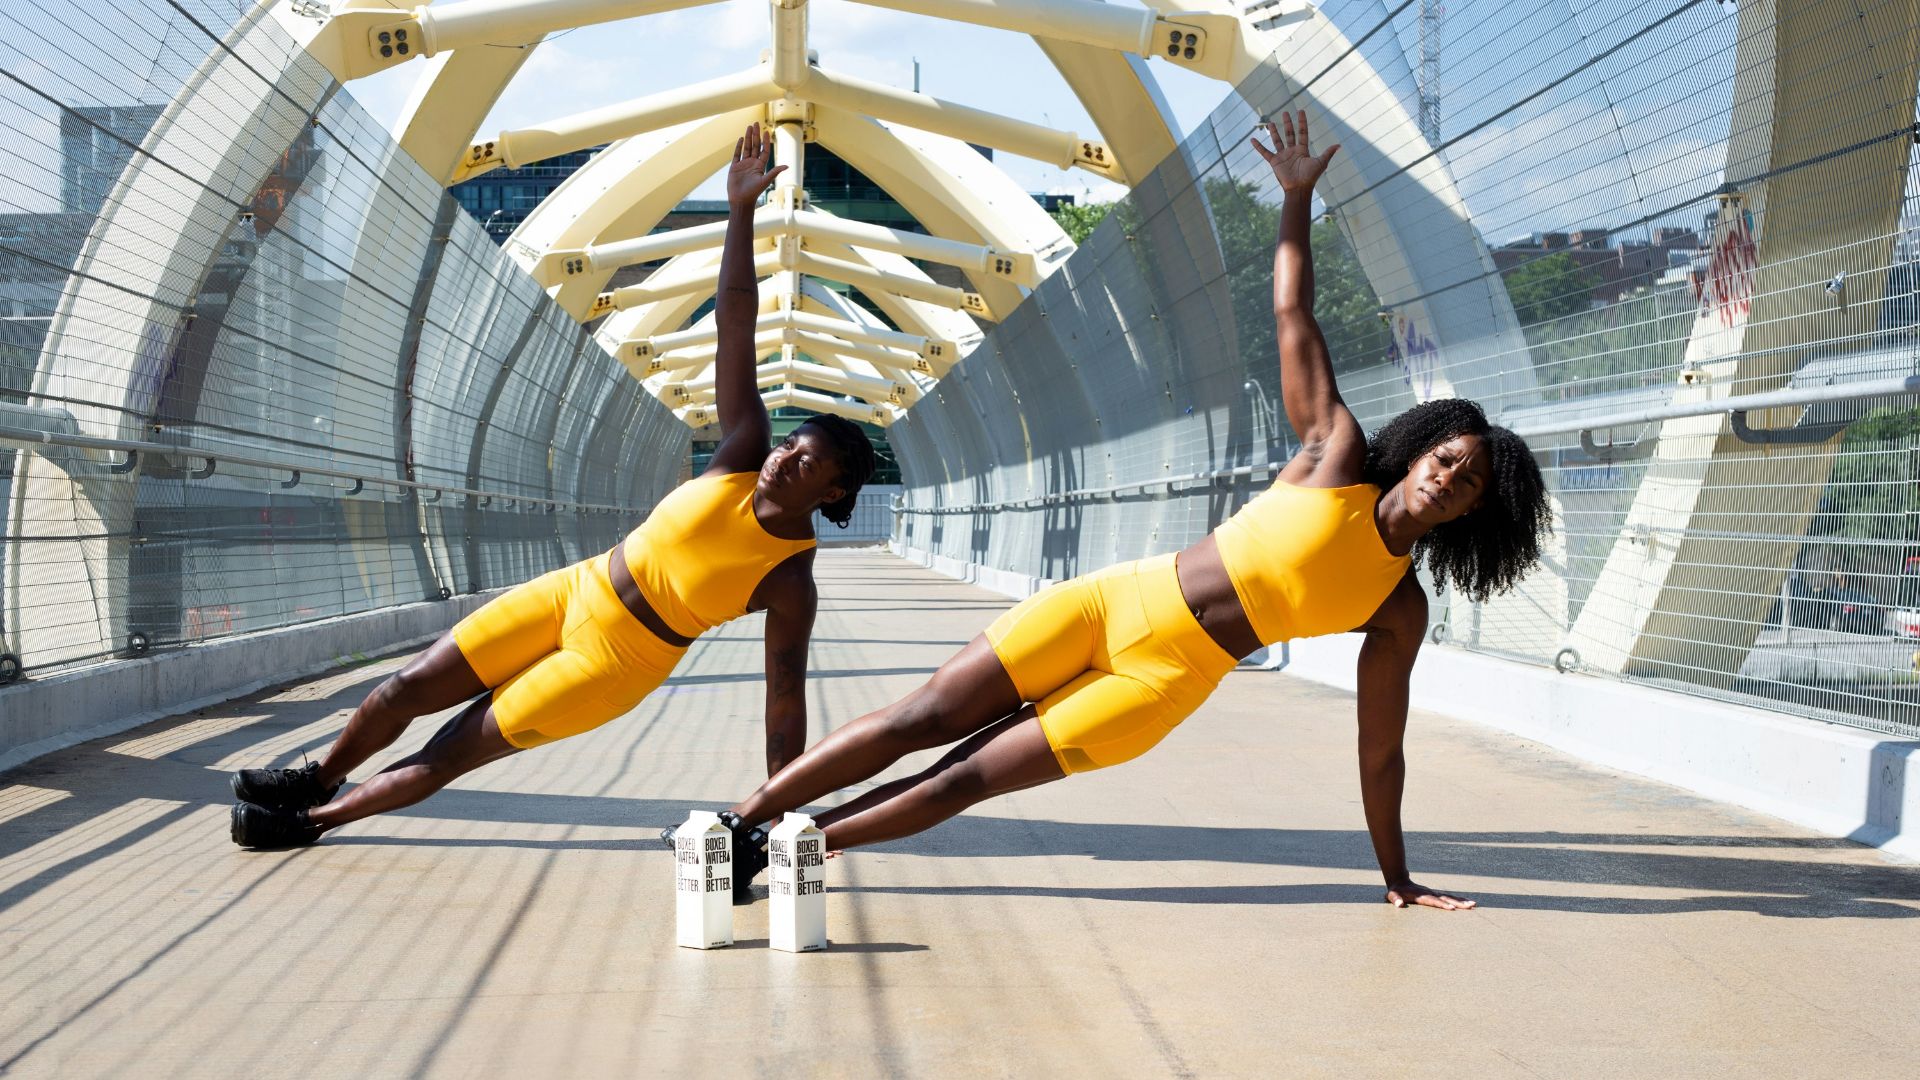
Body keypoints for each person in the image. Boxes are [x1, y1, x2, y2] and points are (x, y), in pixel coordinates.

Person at [686, 112, 1551, 911]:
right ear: (1423, 446)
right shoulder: (1335, 455)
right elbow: (1293, 313)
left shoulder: (1398, 605)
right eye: (1449, 460)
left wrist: (1396, 873)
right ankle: (739, 820)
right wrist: (1295, 199)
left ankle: (778, 849)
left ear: (1476, 514)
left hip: (1161, 682)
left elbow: (1380, 748)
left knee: (962, 779)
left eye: (1471, 484)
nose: (1450, 480)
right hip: (1109, 603)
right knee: (922, 719)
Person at [230, 123, 874, 848]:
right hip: (575, 590)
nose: (785, 458)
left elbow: (783, 703)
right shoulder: (741, 452)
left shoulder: (790, 578)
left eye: (807, 463)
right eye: (791, 443)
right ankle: (315, 780)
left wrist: (776, 814)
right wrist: (740, 212)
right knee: (404, 688)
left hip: (613, 662)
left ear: (832, 493)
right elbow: (734, 322)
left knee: (451, 748)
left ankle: (308, 823)